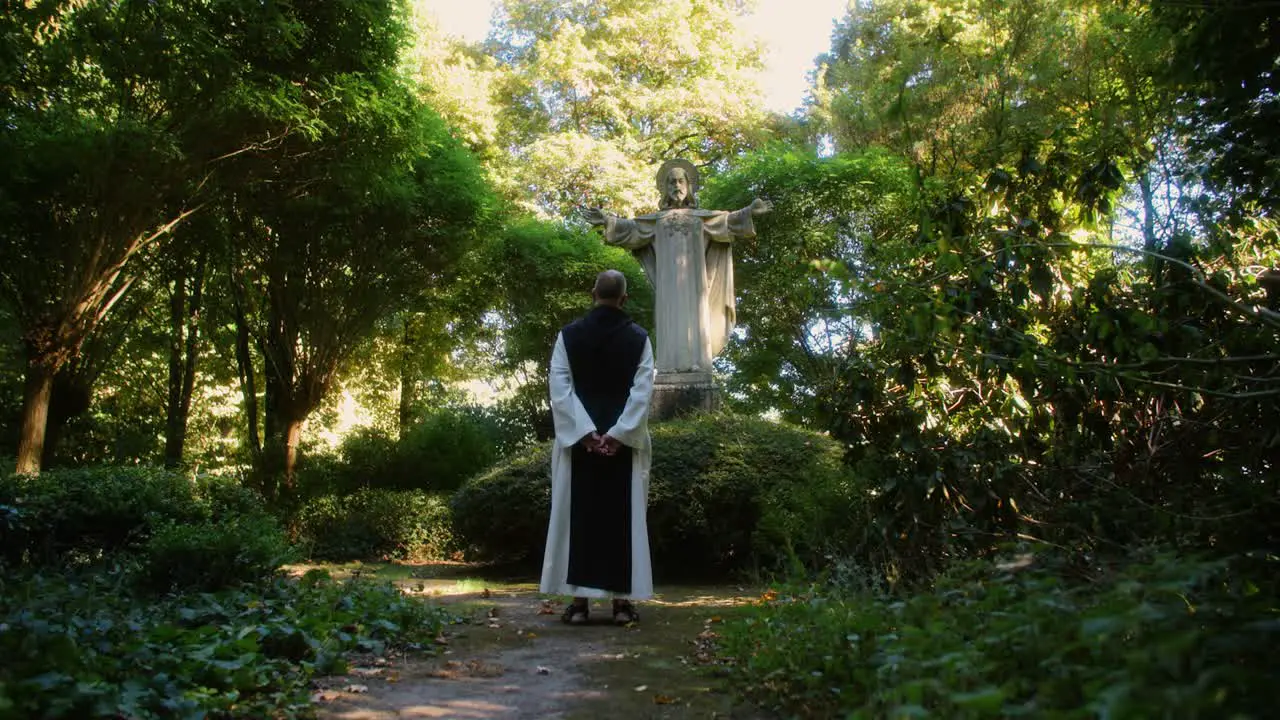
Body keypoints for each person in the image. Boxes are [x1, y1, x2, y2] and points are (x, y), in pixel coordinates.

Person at [539, 269, 656, 625]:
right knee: (623, 518)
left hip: (580, 446)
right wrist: (618, 434)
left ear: (593, 293)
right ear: (624, 299)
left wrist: (586, 434)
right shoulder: (639, 339)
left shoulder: (568, 336)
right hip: (624, 446)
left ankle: (579, 605)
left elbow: (561, 389)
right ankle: (621, 606)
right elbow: (642, 391)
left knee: (580, 517)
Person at [582, 159, 771, 374]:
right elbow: (631, 228)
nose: (676, 186)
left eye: (681, 181)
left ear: (689, 185)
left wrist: (749, 211)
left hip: (695, 289)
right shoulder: (656, 221)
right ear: (665, 188)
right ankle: (668, 367)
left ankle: (697, 365)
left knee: (696, 322)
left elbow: (727, 221)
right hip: (668, 288)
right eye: (671, 182)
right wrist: (607, 219)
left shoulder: (701, 218)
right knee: (669, 323)